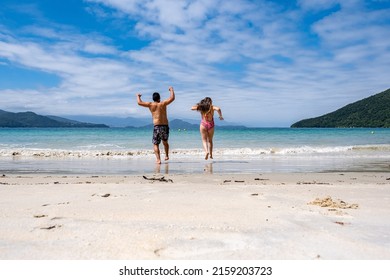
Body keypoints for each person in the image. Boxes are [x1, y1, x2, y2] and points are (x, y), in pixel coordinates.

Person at [137, 86, 175, 164]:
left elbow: (139, 103)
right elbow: (172, 98)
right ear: (159, 98)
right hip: (164, 126)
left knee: (155, 144)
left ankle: (158, 160)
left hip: (157, 126)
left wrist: (138, 96)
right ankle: (167, 155)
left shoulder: (151, 104)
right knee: (165, 142)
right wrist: (171, 90)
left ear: (153, 98)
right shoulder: (163, 103)